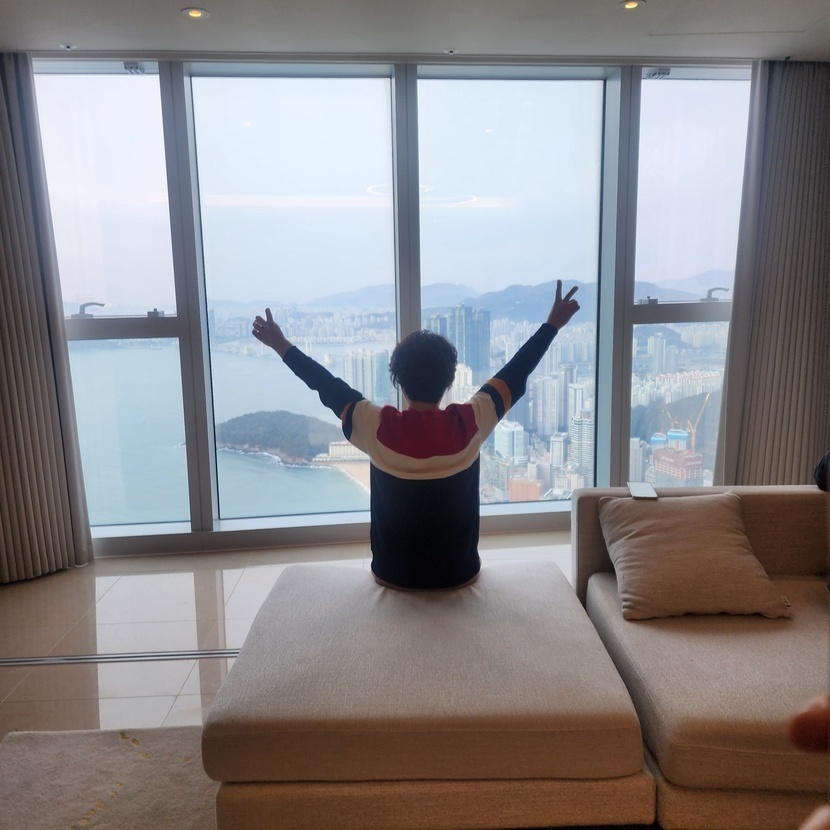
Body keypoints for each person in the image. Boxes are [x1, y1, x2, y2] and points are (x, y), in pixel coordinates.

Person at [252, 280, 580, 590]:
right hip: (460, 574)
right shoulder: (471, 422)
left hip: (392, 575)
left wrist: (280, 345)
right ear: (449, 381)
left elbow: (324, 383)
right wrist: (552, 325)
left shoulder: (375, 425)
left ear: (399, 382)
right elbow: (516, 371)